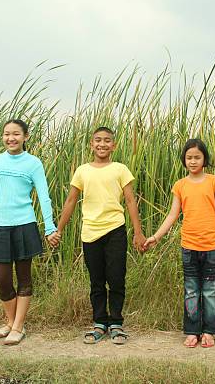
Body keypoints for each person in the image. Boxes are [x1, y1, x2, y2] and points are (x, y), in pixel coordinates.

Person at [48, 126, 145, 345]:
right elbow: (71, 201)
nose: (102, 144)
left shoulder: (120, 169)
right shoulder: (82, 170)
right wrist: (59, 229)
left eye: (107, 141)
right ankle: (100, 323)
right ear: (91, 145)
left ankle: (117, 324)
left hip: (115, 230)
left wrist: (138, 232)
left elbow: (130, 201)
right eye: (98, 140)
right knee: (97, 281)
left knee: (117, 278)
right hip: (90, 232)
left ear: (114, 145)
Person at [0, 119, 57, 345]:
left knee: (24, 278)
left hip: (25, 225)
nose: (10, 138)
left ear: (25, 136)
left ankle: (18, 326)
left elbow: (44, 196)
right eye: (7, 134)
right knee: (2, 279)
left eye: (16, 134)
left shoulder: (33, 163)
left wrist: (50, 227)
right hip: (1, 226)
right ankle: (9, 322)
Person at [143, 139, 215, 348]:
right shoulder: (180, 185)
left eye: (197, 157)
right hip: (189, 246)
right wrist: (156, 236)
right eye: (189, 157)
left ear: (204, 159)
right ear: (184, 160)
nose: (193, 161)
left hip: (211, 245)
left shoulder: (214, 182)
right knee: (191, 289)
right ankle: (192, 331)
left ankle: (209, 331)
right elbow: (173, 215)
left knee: (209, 290)